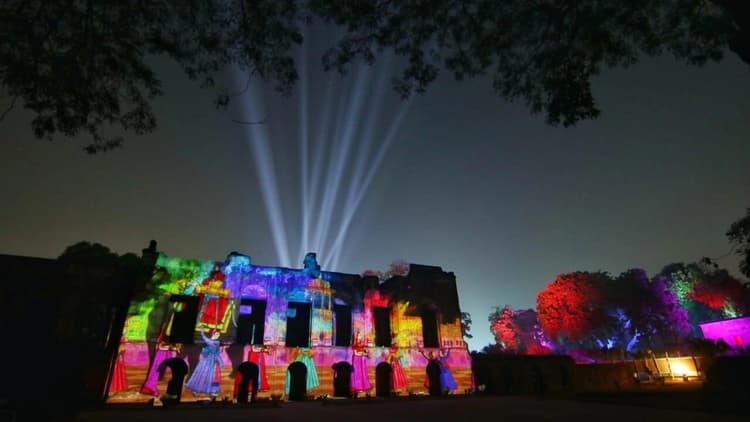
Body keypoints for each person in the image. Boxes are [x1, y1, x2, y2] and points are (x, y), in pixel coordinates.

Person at [185, 328, 224, 397]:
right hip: (206, 361)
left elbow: (217, 352)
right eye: (216, 334)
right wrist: (202, 333)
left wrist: (220, 360)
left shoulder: (217, 342)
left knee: (213, 376)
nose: (218, 335)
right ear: (212, 334)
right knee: (202, 374)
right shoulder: (210, 342)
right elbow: (206, 342)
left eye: (218, 334)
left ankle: (212, 391)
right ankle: (195, 389)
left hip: (214, 361)